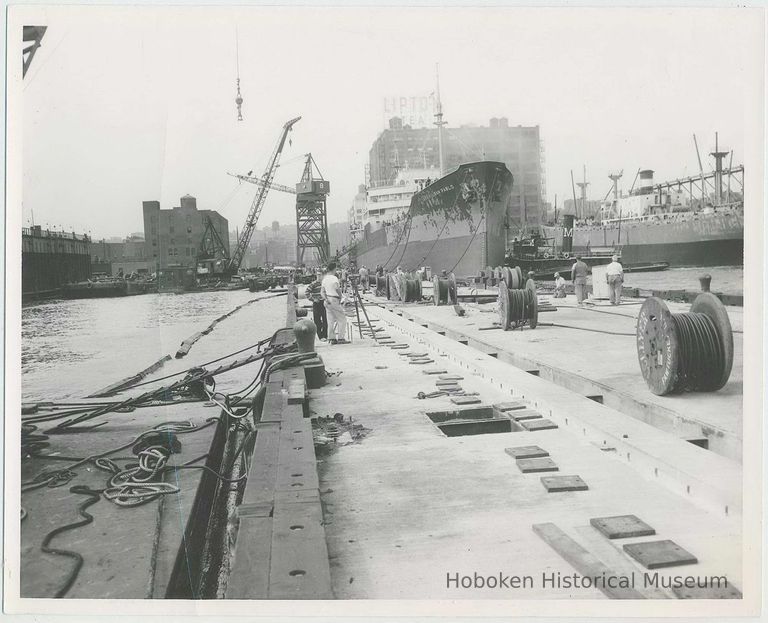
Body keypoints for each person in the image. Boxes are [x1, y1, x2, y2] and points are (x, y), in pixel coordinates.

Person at [321, 262, 348, 344]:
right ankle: (341, 338)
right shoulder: (334, 278)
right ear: (334, 269)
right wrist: (341, 297)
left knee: (330, 320)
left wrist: (325, 299)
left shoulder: (324, 279)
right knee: (342, 319)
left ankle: (331, 338)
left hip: (327, 300)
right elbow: (337, 289)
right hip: (334, 299)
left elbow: (322, 292)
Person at [306, 270, 327, 340]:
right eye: (317, 275)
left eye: (320, 275)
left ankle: (325, 335)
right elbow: (307, 292)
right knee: (317, 320)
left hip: (323, 303)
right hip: (316, 303)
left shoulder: (324, 283)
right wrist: (313, 299)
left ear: (323, 275)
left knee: (325, 319)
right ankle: (320, 336)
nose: (319, 276)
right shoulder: (313, 284)